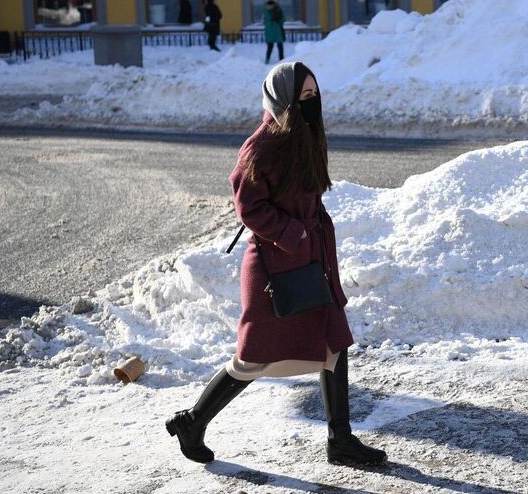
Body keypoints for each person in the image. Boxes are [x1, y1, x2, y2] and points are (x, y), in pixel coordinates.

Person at [165, 61, 387, 467]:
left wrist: (312, 236)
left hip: (310, 259)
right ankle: (193, 422)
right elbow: (248, 205)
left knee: (334, 342)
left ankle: (341, 440)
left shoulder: (304, 136)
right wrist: (295, 235)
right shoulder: (262, 145)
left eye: (315, 96)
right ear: (283, 99)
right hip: (275, 267)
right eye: (304, 97)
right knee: (251, 360)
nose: (312, 103)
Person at [263, 0, 286, 64]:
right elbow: (283, 19)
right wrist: (279, 22)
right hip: (276, 30)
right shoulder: (277, 9)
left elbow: (265, 21)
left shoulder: (265, 9)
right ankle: (282, 60)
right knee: (279, 46)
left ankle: (267, 59)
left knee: (270, 46)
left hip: (270, 31)